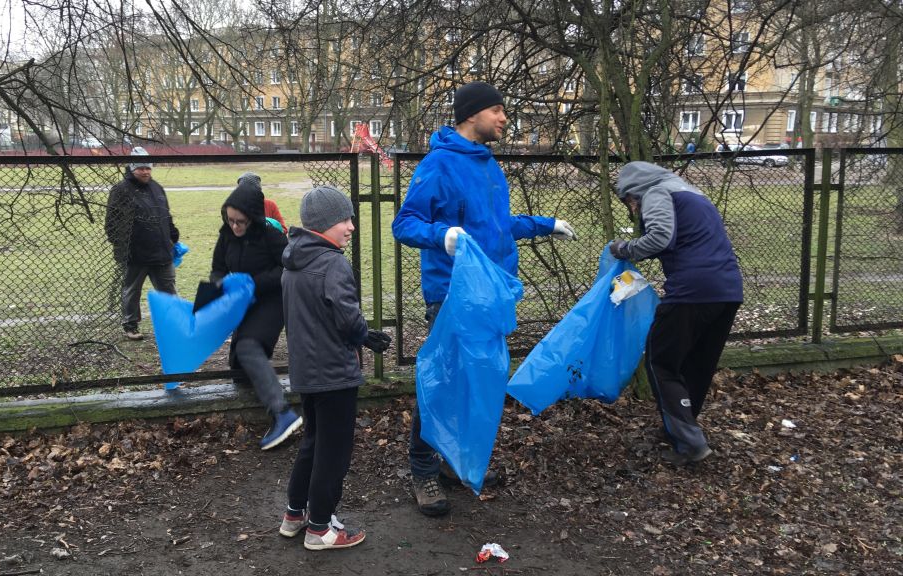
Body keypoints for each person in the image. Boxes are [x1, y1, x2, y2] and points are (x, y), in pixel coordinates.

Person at [391, 81, 578, 517]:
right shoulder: (439, 163)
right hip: (452, 294)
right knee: (442, 382)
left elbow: (497, 225)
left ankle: (455, 460)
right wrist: (442, 235)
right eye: (497, 110)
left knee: (475, 382)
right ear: (472, 114)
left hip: (490, 293)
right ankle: (423, 470)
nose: (504, 118)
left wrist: (545, 224)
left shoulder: (488, 165)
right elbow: (405, 223)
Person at [278, 185, 391, 550]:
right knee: (334, 452)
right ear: (324, 223)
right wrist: (365, 335)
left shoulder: (293, 261)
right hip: (334, 373)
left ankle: (295, 514)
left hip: (307, 372)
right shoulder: (332, 263)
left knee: (313, 443)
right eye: (345, 220)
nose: (351, 227)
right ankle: (320, 529)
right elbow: (347, 317)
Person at [609, 161, 743, 466]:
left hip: (692, 291)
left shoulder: (656, 193)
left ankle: (690, 442)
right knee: (696, 365)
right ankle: (683, 431)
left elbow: (660, 237)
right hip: (728, 290)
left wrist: (625, 248)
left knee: (661, 361)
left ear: (635, 191)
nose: (633, 209)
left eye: (630, 201)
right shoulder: (692, 193)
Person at [210, 180, 301, 450]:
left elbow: (288, 268)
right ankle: (266, 390)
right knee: (239, 369)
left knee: (248, 346)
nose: (235, 227)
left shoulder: (271, 236)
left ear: (252, 217)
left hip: (272, 300)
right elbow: (217, 268)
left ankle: (282, 413)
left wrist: (252, 282)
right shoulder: (226, 235)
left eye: (240, 222)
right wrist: (221, 285)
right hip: (243, 302)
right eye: (230, 220)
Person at [105, 147, 179, 341]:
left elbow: (166, 215)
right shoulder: (121, 190)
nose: (145, 171)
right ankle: (130, 325)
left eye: (148, 168)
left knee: (168, 289)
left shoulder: (157, 188)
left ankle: (173, 324)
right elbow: (111, 223)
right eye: (141, 168)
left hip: (161, 251)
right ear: (132, 168)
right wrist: (123, 247)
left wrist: (173, 234)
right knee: (132, 290)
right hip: (134, 253)